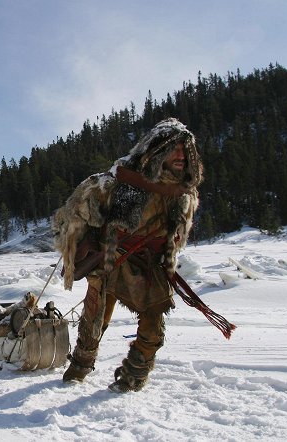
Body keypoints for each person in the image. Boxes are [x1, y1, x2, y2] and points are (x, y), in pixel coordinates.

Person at [52, 118, 203, 392]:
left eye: (185, 148)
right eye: (174, 148)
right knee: (96, 317)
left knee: (154, 321)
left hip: (149, 264)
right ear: (158, 150)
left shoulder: (185, 191)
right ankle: (80, 366)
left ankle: (134, 375)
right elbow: (88, 209)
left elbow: (177, 232)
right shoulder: (126, 182)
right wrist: (83, 239)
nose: (180, 154)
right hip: (113, 258)